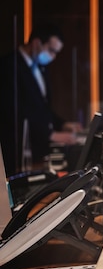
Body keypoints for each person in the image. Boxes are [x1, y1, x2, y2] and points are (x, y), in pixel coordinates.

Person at [0, 23, 81, 177]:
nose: (53, 56)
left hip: (37, 153)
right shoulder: (8, 66)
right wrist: (50, 134)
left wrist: (62, 124)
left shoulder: (41, 68)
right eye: (51, 50)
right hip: (15, 154)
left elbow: (42, 107)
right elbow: (13, 111)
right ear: (37, 43)